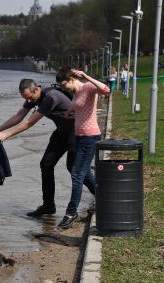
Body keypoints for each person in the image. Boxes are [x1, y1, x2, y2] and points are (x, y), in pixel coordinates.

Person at [0, 78, 75, 217]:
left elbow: (29, 123)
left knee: (74, 169)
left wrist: (7, 135)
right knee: (46, 165)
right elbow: (19, 116)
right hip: (62, 131)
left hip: (76, 132)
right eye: (25, 98)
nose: (28, 101)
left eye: (29, 97)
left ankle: (100, 196)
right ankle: (48, 205)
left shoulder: (50, 98)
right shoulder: (32, 98)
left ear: (37, 89)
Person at [55, 67, 110, 229]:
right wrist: (69, 110)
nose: (63, 88)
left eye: (64, 85)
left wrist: (86, 76)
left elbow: (105, 89)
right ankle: (103, 199)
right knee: (84, 174)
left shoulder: (87, 87)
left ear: (72, 79)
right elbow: (78, 105)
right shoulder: (76, 92)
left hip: (90, 137)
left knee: (77, 174)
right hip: (79, 136)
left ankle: (71, 212)